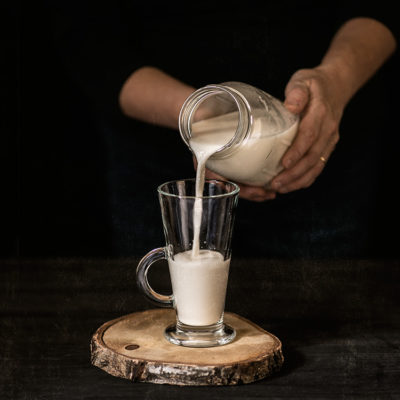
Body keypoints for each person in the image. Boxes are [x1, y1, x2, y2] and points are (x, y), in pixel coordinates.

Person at [47, 2, 398, 258]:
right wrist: (197, 112)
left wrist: (335, 81)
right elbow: (84, 33)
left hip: (316, 151)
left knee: (319, 327)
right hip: (153, 157)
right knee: (164, 321)